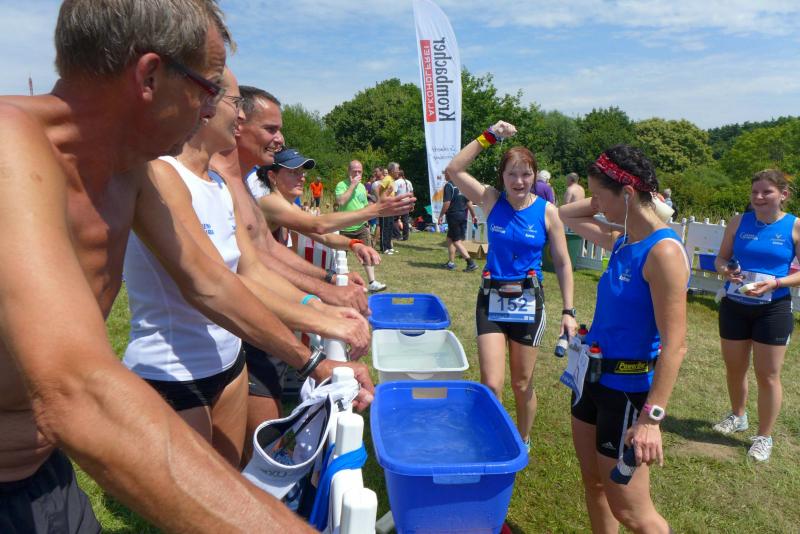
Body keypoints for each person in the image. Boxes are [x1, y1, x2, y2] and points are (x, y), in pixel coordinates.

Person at [0, 1, 316, 531]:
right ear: (149, 77)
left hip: (43, 471)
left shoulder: (131, 171)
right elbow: (75, 389)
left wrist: (311, 362)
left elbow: (208, 282)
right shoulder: (9, 144)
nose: (214, 110)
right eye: (209, 88)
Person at [124, 69, 371, 468]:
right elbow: (214, 285)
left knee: (236, 475)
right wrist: (315, 352)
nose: (240, 116)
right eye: (236, 103)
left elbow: (253, 270)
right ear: (200, 101)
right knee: (199, 497)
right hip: (176, 371)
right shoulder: (162, 174)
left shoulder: (218, 184)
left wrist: (325, 311)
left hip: (229, 362)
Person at [209, 86, 372, 448]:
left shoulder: (235, 184)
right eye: (270, 129)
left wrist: (326, 294)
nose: (280, 139)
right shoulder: (223, 185)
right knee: (259, 453)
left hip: (237, 341)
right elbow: (238, 276)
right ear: (238, 124)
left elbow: (261, 258)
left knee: (258, 454)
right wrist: (323, 309)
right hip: (218, 346)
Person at [559, 144, 689, 533]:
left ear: (628, 194)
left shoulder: (663, 252)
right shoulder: (624, 240)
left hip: (628, 393)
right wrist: (610, 200)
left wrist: (651, 419)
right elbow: (564, 214)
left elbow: (676, 345)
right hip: (591, 379)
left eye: (600, 196)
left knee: (633, 513)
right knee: (594, 485)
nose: (595, 205)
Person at [445, 121, 577, 452]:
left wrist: (569, 311)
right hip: (491, 298)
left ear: (535, 177)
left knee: (521, 383)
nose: (519, 181)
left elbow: (563, 263)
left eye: (526, 174)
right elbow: (454, 169)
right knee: (491, 383)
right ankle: (492, 441)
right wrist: (489, 136)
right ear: (502, 177)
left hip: (528, 301)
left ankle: (523, 438)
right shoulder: (491, 200)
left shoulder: (548, 212)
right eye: (512, 174)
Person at [711, 170, 799, 462]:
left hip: (773, 309)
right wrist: (726, 270)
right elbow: (721, 259)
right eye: (754, 192)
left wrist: (776, 283)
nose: (758, 197)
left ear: (783, 195)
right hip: (735, 305)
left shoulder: (794, 226)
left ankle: (764, 436)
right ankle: (738, 416)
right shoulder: (739, 221)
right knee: (735, 368)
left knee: (768, 375)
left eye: (766, 192)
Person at [335, 160, 390, 291]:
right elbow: (340, 201)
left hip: (361, 227)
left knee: (367, 253)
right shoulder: (341, 185)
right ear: (349, 171)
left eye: (359, 172)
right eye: (354, 171)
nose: (357, 174)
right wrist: (352, 185)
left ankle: (372, 282)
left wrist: (368, 219)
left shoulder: (362, 187)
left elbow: (364, 205)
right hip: (344, 227)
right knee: (340, 258)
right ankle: (342, 282)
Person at [437, 172, 478, 272]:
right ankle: (451, 263)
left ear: (450, 174)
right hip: (462, 215)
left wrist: (441, 215)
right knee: (450, 239)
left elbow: (447, 203)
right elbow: (468, 202)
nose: (444, 176)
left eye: (446, 174)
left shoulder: (448, 185)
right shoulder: (462, 185)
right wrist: (474, 215)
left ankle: (470, 263)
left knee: (456, 241)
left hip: (453, 216)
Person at [376, 163, 399, 254]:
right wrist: (380, 200)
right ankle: (384, 248)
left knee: (390, 226)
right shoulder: (387, 179)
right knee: (385, 227)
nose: (398, 171)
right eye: (397, 169)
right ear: (392, 170)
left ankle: (389, 246)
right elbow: (378, 188)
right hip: (385, 206)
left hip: (390, 206)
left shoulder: (392, 179)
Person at [394, 170, 414, 241]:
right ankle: (405, 236)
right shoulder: (408, 182)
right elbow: (411, 193)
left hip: (399, 203)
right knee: (405, 220)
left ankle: (398, 235)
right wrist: (412, 203)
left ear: (398, 175)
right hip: (407, 202)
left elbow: (394, 193)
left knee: (394, 220)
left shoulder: (396, 182)